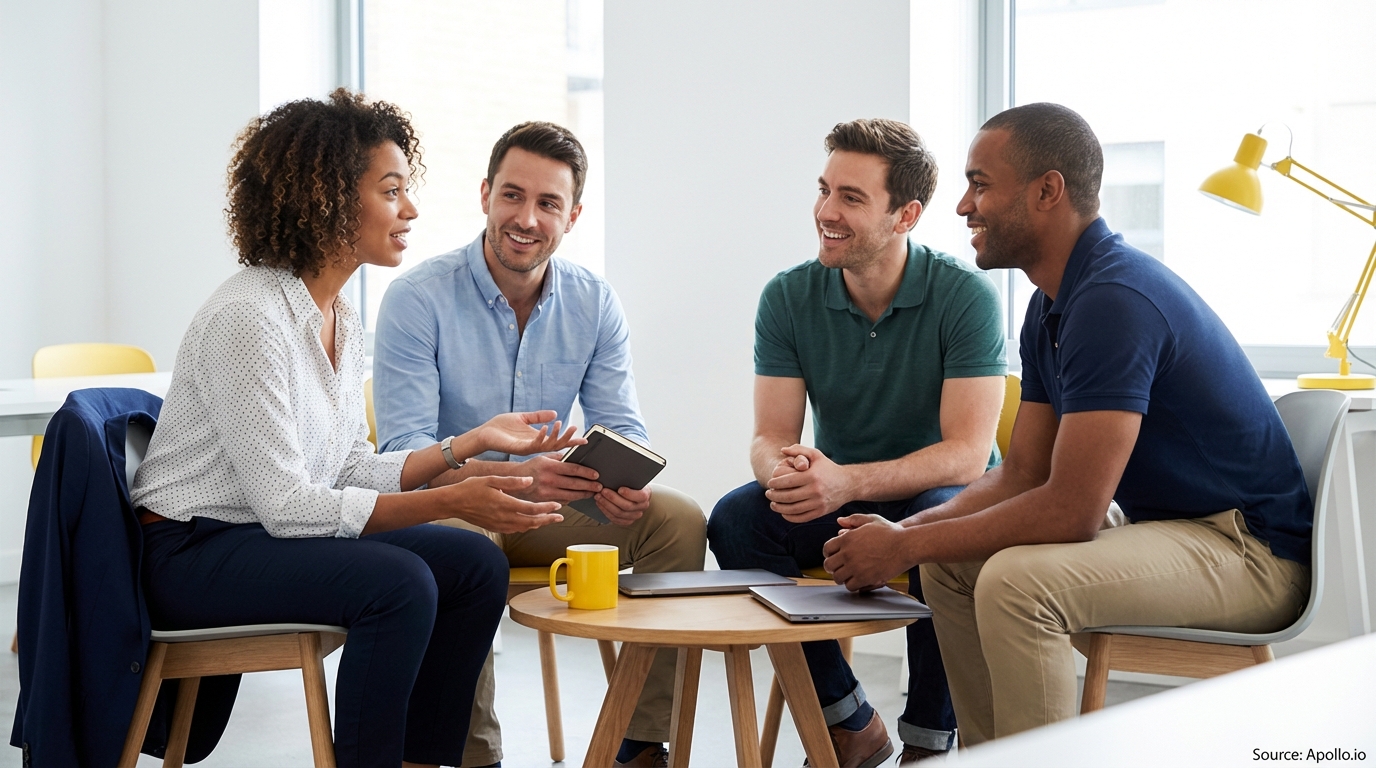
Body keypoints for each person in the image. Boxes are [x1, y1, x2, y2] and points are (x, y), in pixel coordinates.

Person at [822, 103, 1313, 745]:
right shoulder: (1051, 306)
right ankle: (987, 754)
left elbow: (1073, 511)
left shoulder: (1114, 300)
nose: (964, 206)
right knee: (953, 567)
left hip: (1249, 552)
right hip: (1175, 531)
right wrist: (903, 533)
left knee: (1016, 582)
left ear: (1048, 190)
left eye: (981, 184)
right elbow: (1023, 474)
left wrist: (903, 546)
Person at [129, 89, 582, 768]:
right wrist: (450, 499)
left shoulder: (339, 315)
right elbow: (288, 508)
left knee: (473, 563)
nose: (412, 211)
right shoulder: (249, 319)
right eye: (392, 191)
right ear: (328, 199)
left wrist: (468, 449)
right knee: (399, 584)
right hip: (193, 554)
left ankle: (424, 759)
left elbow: (345, 466)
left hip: (254, 536)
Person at [373, 121, 707, 768]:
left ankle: (640, 742)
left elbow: (622, 426)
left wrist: (620, 478)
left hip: (555, 506)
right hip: (458, 505)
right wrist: (521, 480)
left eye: (548, 203)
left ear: (572, 215)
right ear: (485, 196)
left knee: (681, 522)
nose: (526, 218)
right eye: (512, 196)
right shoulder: (416, 299)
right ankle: (475, 756)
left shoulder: (595, 302)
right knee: (463, 544)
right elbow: (404, 455)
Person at [706, 118, 1007, 767]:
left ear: (906, 215)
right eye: (824, 190)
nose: (825, 212)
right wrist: (784, 471)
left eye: (850, 197)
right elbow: (769, 435)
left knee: (954, 505)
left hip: (937, 498)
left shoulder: (966, 297)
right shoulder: (788, 296)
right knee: (736, 518)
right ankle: (849, 719)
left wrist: (846, 480)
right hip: (842, 500)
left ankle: (929, 742)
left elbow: (967, 454)